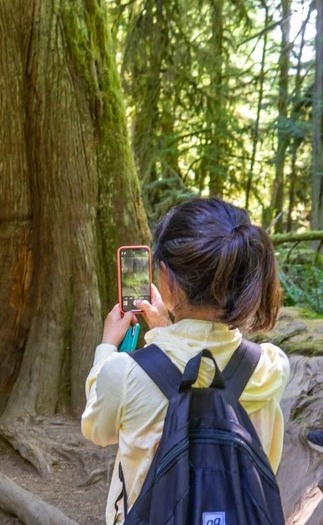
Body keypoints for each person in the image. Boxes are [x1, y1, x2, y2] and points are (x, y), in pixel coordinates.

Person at [81, 197, 290, 525]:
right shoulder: (271, 367)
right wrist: (169, 330)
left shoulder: (124, 374)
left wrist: (107, 346)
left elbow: (96, 428)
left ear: (165, 277)